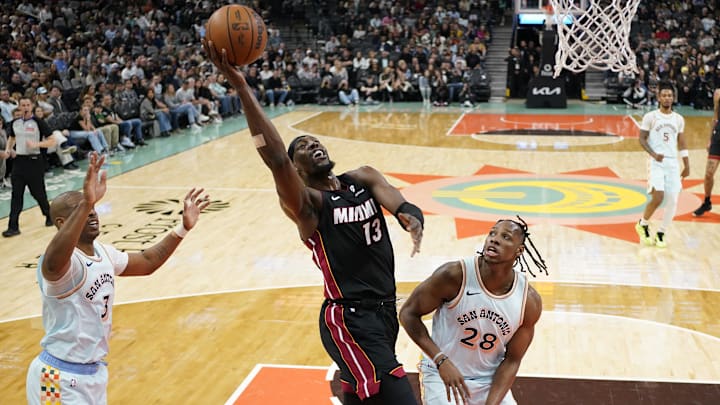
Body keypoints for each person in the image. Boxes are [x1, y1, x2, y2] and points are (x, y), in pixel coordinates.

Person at [204, 40, 424, 405]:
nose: (313, 144)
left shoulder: (363, 177)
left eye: (315, 140)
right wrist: (242, 87)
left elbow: (400, 203)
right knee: (397, 393)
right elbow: (275, 158)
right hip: (348, 318)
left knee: (359, 394)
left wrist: (411, 220)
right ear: (297, 169)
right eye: (303, 146)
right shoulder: (307, 204)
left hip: (384, 311)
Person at [26, 153, 210, 404]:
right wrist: (86, 201)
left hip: (93, 374)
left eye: (92, 209)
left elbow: (147, 262)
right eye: (82, 210)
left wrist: (183, 228)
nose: (91, 213)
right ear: (61, 223)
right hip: (58, 378)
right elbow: (53, 262)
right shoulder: (63, 266)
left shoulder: (103, 252)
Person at [399, 218, 545, 405]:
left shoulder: (528, 301)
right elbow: (408, 314)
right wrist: (440, 359)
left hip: (489, 380)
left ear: (519, 251)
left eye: (505, 237)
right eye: (492, 233)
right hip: (442, 373)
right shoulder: (454, 275)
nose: (494, 239)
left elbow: (512, 361)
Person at [635, 82, 689, 248]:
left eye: (670, 95)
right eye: (664, 95)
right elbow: (641, 139)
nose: (667, 98)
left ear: (673, 98)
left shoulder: (679, 119)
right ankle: (642, 224)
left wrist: (687, 164)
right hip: (656, 162)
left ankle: (661, 232)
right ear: (658, 97)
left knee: (673, 200)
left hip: (673, 163)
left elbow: (681, 143)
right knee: (658, 197)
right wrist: (653, 154)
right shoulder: (651, 117)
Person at [2, 97, 56, 237]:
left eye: (27, 105)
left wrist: (36, 145)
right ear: (19, 107)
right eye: (22, 105)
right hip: (19, 162)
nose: (25, 107)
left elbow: (52, 140)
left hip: (34, 162)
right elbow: (12, 138)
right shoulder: (15, 123)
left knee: (38, 193)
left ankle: (49, 215)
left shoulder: (39, 122)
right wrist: (9, 149)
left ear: (31, 106)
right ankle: (13, 226)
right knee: (16, 195)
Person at [693, 88, 720, 216]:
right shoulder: (718, 93)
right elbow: (715, 116)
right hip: (718, 137)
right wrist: (710, 138)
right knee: (709, 173)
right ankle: (707, 202)